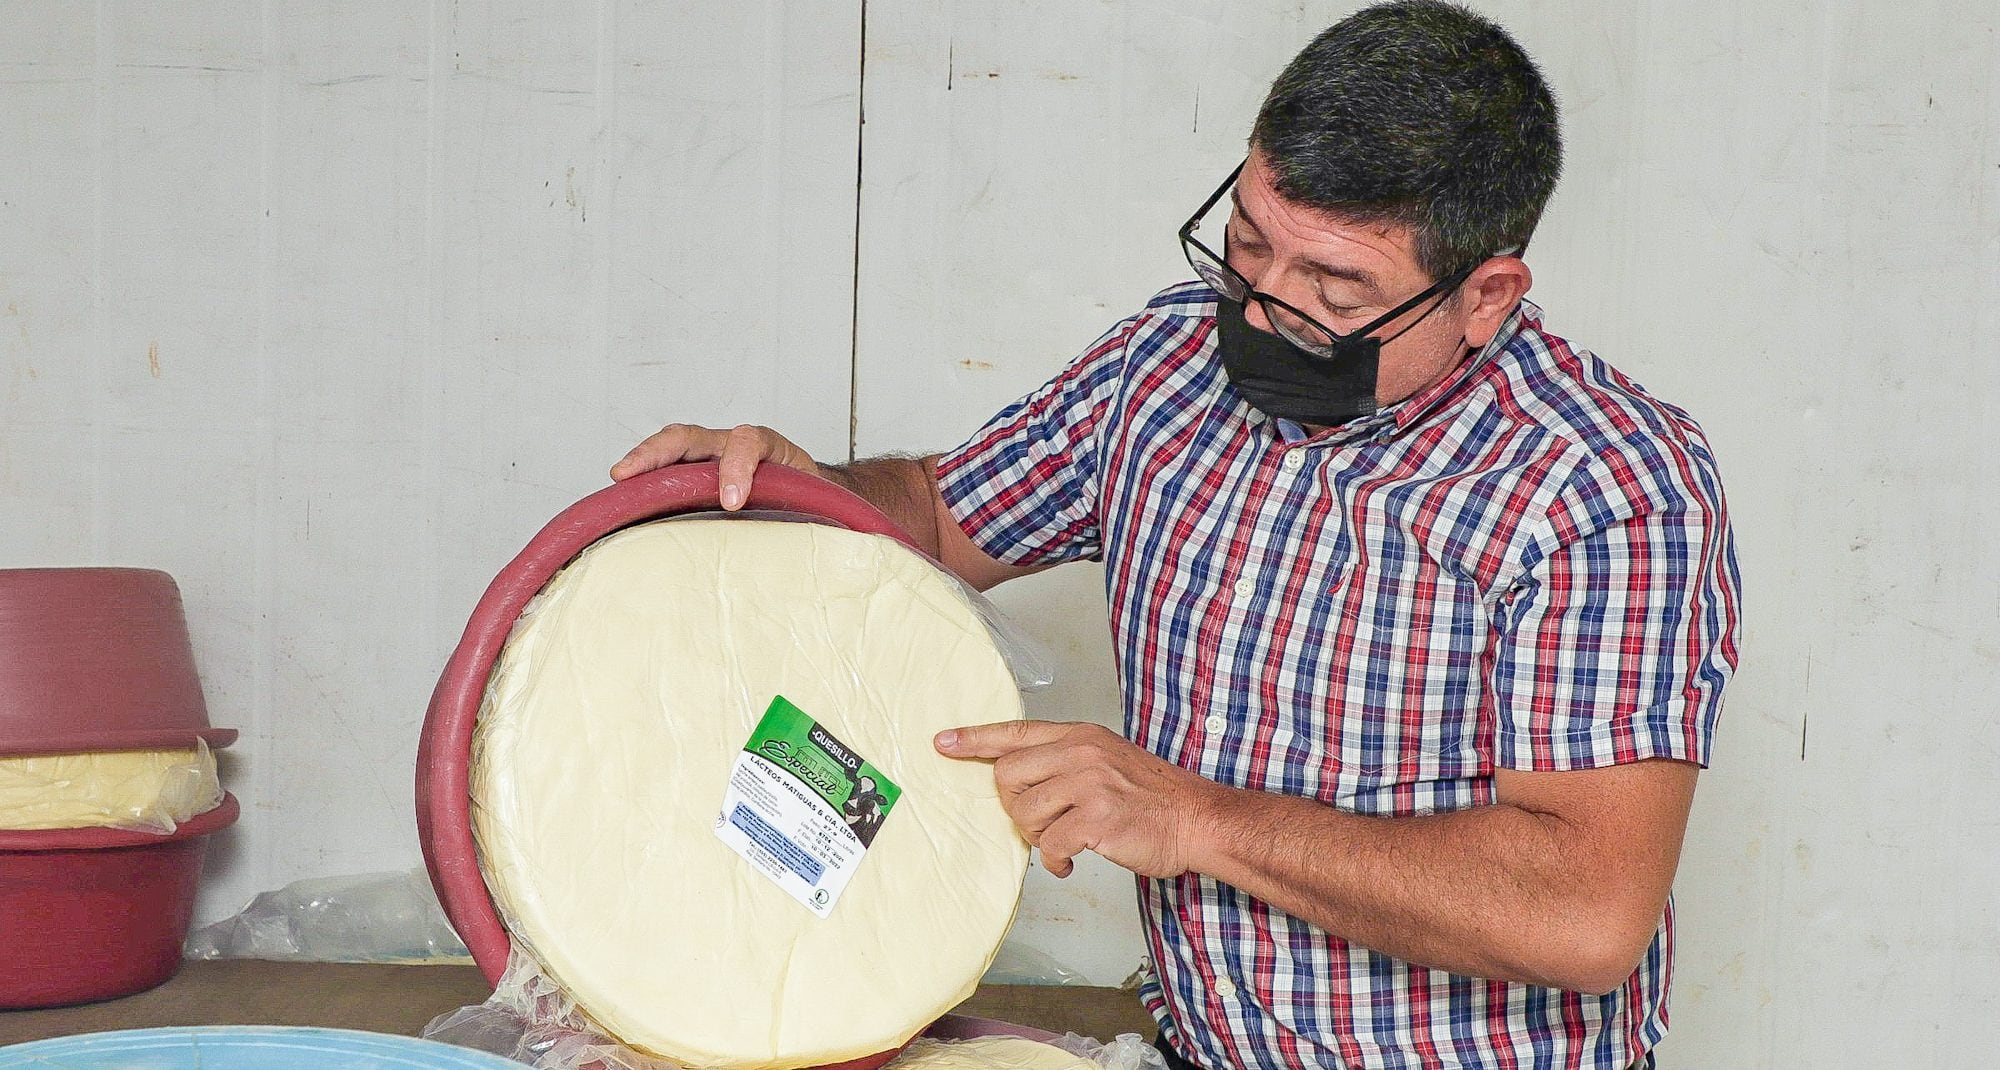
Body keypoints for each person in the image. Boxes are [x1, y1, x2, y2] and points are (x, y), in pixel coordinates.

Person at [612, 3, 1739, 1066]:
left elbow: (1584, 912)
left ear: (1486, 295)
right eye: (1245, 243)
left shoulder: (1603, 486)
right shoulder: (1164, 364)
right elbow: (940, 517)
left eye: (1335, 294)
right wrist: (798, 485)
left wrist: (1194, 819)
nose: (1260, 309)